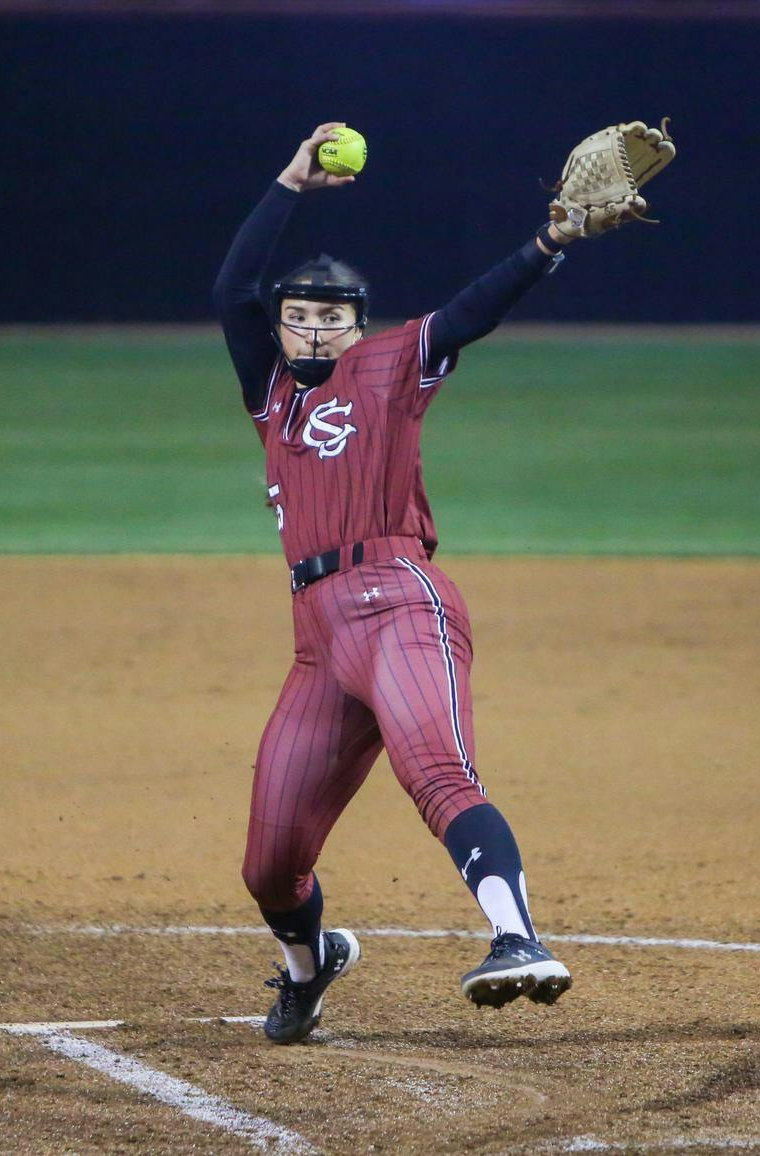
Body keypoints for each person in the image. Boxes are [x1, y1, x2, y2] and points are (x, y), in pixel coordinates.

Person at [212, 122, 603, 1045]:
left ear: (358, 323)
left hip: (398, 602)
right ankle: (310, 970)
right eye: (297, 315)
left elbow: (475, 307)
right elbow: (232, 286)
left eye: (331, 315)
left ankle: (516, 938)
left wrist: (548, 242)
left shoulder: (388, 367)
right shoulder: (270, 398)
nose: (313, 327)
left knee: (437, 771)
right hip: (317, 643)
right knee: (270, 865)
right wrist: (290, 184)